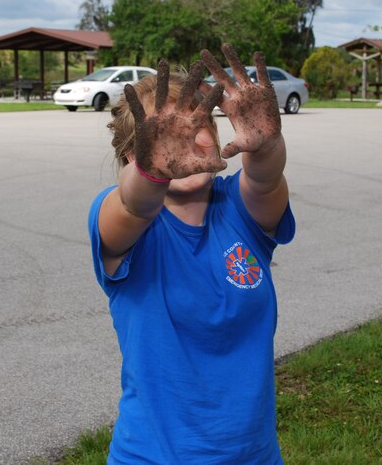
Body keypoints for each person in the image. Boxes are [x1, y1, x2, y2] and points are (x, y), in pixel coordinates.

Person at [88, 43, 295, 464]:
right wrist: (150, 173)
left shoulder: (239, 208)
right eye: (164, 130)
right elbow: (133, 203)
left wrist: (268, 145)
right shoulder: (123, 221)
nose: (184, 136)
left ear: (217, 138)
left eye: (196, 123)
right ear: (132, 155)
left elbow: (266, 180)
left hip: (254, 456)